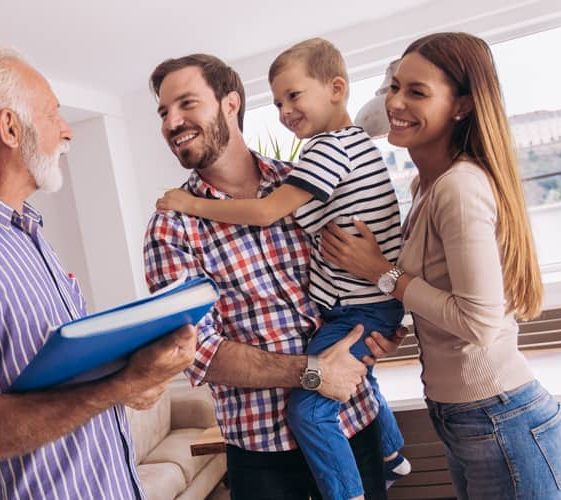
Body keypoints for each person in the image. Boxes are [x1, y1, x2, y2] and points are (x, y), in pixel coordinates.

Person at [0, 47, 197, 500]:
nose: (67, 131)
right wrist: (120, 385)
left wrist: (139, 371)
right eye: (54, 114)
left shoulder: (29, 235)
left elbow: (64, 380)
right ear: (10, 127)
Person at [321, 32, 561, 498]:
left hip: (502, 421)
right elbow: (441, 301)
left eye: (416, 92)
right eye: (394, 86)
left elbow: (477, 321)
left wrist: (383, 272)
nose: (395, 102)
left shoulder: (459, 186)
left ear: (461, 106)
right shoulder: (428, 187)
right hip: (470, 419)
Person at [154, 39, 409, 500]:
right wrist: (313, 373)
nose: (172, 122)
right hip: (264, 457)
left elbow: (365, 262)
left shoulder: (302, 179)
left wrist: (378, 326)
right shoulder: (172, 226)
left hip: (355, 422)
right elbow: (197, 350)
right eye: (163, 112)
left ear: (230, 103)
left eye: (186, 103)